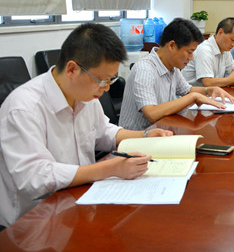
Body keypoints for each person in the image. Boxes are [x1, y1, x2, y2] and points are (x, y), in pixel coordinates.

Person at [0, 23, 174, 228]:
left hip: (78, 200)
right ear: (72, 69)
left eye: (110, 80)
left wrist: (144, 136)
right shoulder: (24, 108)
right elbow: (36, 178)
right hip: (33, 222)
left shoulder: (84, 95)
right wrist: (109, 168)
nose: (106, 88)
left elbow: (103, 132)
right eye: (102, 80)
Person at [120, 18, 234, 131]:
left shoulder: (172, 66)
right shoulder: (145, 69)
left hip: (163, 131)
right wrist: (193, 97)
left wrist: (209, 90)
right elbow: (152, 114)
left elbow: (187, 90)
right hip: (139, 138)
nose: (191, 58)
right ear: (172, 46)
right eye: (189, 52)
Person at [182, 17, 234, 87]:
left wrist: (229, 80)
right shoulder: (204, 50)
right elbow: (208, 82)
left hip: (211, 92)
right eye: (232, 40)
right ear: (220, 32)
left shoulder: (225, 50)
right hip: (191, 93)